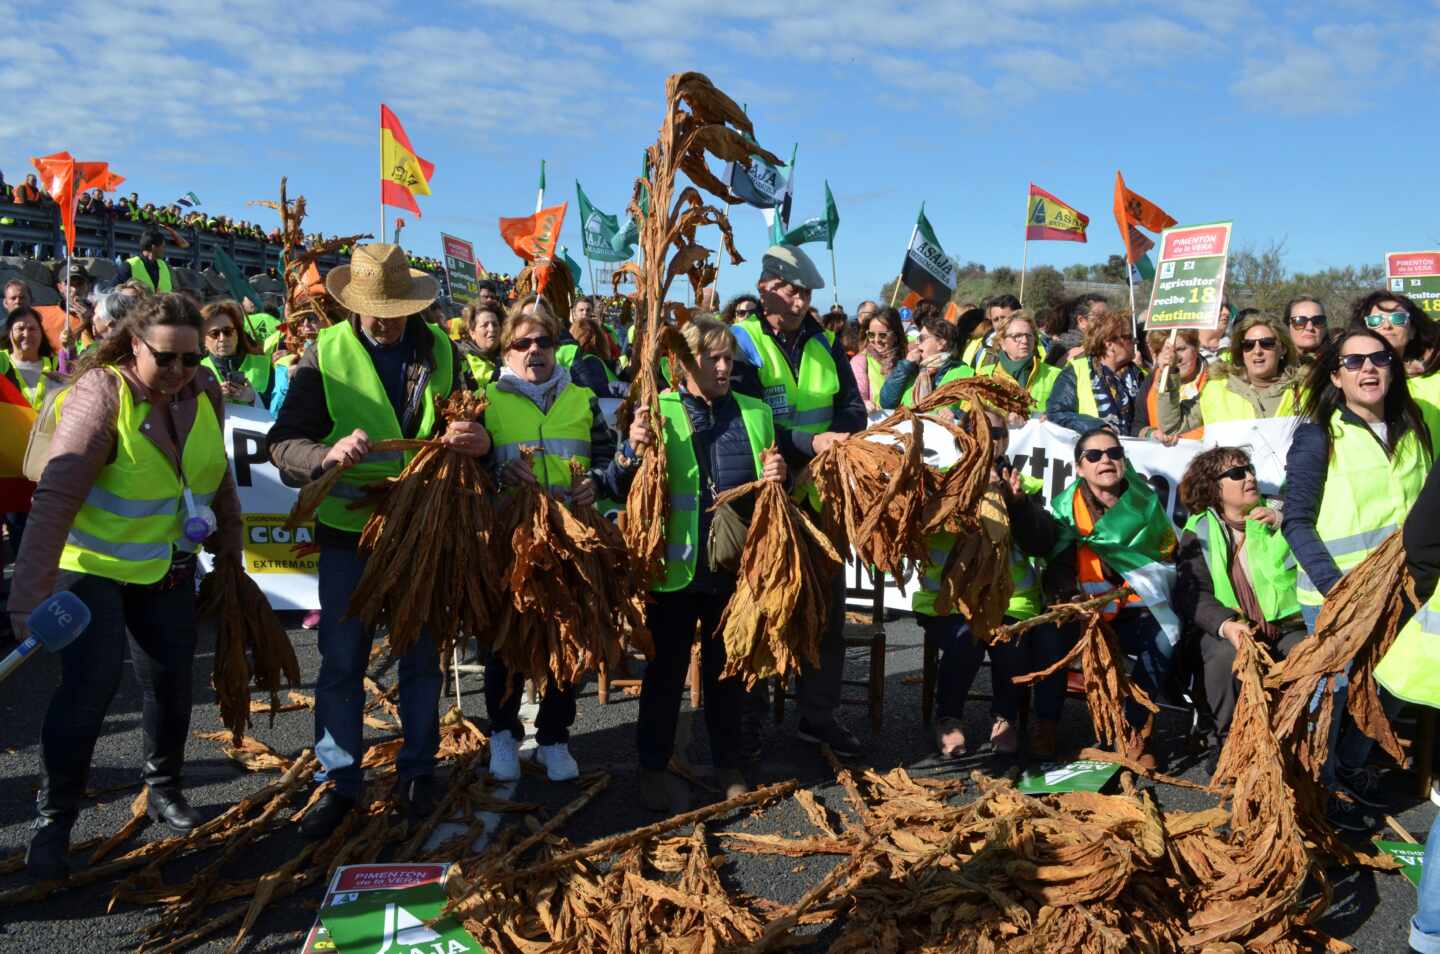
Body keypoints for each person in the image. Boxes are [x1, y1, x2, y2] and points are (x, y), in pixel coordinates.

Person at [9, 294, 243, 880]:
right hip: (92, 566)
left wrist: (232, 551)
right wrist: (28, 593)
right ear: (136, 344)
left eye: (192, 361)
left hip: (167, 566)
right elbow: (58, 494)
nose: (181, 373)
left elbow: (218, 480)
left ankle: (164, 785)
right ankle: (54, 818)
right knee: (90, 687)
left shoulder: (203, 392)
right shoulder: (101, 394)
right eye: (167, 359)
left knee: (170, 680)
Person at [266, 244, 486, 838]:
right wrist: (325, 455)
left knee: (420, 655)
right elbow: (283, 443)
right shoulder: (324, 354)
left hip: (422, 526)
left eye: (395, 308)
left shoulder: (442, 350)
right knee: (341, 661)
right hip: (349, 532)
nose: (385, 319)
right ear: (352, 303)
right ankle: (338, 781)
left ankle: (418, 769)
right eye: (374, 308)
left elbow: (472, 422)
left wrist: (475, 438)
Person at [621, 317, 783, 809]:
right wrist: (631, 452)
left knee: (726, 673)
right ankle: (653, 766)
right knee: (666, 674)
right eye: (711, 357)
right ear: (683, 363)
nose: (721, 366)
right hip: (673, 573)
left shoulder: (755, 412)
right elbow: (620, 483)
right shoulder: (657, 410)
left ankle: (728, 764)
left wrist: (780, 472)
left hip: (731, 570)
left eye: (727, 357)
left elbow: (770, 491)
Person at [1283, 327, 1435, 829]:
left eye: (1378, 359)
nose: (1367, 369)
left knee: (1389, 690)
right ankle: (1318, 790)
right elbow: (1296, 520)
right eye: (1353, 362)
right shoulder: (1318, 434)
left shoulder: (1417, 428)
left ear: (1393, 369)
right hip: (1338, 598)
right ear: (1336, 376)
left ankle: (1349, 768)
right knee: (1336, 695)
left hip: (1407, 594)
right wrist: (1337, 590)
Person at [730, 244, 867, 758]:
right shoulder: (741, 343)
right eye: (791, 288)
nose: (800, 298)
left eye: (806, 290)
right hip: (766, 496)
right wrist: (807, 445)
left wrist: (832, 443)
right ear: (766, 288)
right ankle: (749, 717)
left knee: (826, 609)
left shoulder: (825, 343)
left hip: (819, 495)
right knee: (763, 607)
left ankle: (819, 715)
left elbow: (852, 410)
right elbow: (746, 418)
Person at [479, 301, 622, 783]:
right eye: (522, 343)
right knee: (505, 638)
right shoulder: (486, 400)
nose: (534, 350)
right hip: (511, 537)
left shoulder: (580, 398)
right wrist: (498, 472)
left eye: (543, 341)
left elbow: (608, 458)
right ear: (507, 350)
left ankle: (554, 738)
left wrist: (598, 483)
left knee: (569, 635)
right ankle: (502, 735)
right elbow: (466, 468)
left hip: (571, 536)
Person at [1035, 428, 1180, 768]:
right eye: (1094, 456)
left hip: (1135, 608)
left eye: (1114, 453)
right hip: (1082, 608)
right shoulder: (1064, 510)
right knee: (1048, 636)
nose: (1106, 461)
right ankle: (1045, 723)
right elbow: (1056, 566)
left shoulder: (1145, 503)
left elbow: (1165, 554)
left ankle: (1133, 731)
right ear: (1079, 468)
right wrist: (1074, 600)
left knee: (1163, 640)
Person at [1175, 447, 1305, 770]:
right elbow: (1193, 594)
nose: (1248, 477)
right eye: (1236, 473)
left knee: (1312, 654)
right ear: (1213, 487)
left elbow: (1320, 541)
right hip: (1233, 627)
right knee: (1224, 656)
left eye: (1249, 470)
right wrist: (1226, 624)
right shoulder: (1199, 530)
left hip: (1287, 625)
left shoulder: (1283, 512)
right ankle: (1228, 741)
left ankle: (1303, 742)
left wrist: (1284, 521)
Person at [1156, 314, 1302, 436]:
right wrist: (1170, 373)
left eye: (1267, 343)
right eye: (1248, 345)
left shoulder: (1303, 390)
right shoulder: (1216, 389)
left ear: (1282, 349)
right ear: (1241, 351)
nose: (1257, 351)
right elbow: (1171, 427)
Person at [1046, 312, 1145, 436]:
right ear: (1109, 344)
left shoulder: (1140, 375)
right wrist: (1098, 427)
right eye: (1128, 337)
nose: (1135, 341)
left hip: (1136, 452)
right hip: (1094, 451)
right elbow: (1056, 412)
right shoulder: (1076, 371)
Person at [972, 309, 1060, 424]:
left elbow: (1064, 414)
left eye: (1029, 336)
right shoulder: (984, 376)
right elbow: (972, 415)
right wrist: (1004, 418)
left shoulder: (1055, 375)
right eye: (1017, 336)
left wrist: (1051, 417)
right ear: (1002, 343)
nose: (1024, 341)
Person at [877, 315, 975, 410]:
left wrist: (955, 414)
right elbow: (886, 403)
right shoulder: (912, 369)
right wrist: (905, 366)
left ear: (941, 343)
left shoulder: (964, 373)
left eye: (921, 338)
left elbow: (969, 412)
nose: (917, 343)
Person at [199, 300, 276, 409]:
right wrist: (213, 397)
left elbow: (280, 407)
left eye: (227, 331)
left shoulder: (263, 365)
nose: (222, 338)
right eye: (214, 334)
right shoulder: (197, 371)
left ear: (238, 333)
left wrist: (253, 397)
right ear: (204, 340)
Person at [1349, 290, 1435, 378]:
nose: (1387, 326)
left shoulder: (1433, 384)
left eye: (1398, 318)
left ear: (1412, 331)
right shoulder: (1349, 377)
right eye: (1375, 320)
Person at [1139, 329, 1206, 441]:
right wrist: (1151, 434)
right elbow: (1138, 426)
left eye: (1181, 349)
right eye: (1167, 351)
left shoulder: (1214, 379)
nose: (1175, 358)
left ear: (1196, 348)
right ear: (1156, 356)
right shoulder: (1151, 380)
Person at [851, 305, 905, 413]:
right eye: (871, 334)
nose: (876, 340)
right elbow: (857, 395)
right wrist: (864, 403)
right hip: (875, 424)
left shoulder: (906, 360)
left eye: (883, 335)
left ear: (895, 336)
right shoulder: (860, 361)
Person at [6, 307, 62, 409]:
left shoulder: (58, 365)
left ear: (41, 333)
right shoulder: (2, 362)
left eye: (32, 329)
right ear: (10, 333)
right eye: (20, 329)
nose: (27, 334)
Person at [1044, 293, 1109, 365]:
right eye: (1100, 316)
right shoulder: (1064, 348)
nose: (1108, 321)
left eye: (1109, 316)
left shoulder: (1104, 346)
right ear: (1081, 320)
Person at [458, 301, 502, 387]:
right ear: (472, 333)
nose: (492, 329)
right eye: (485, 325)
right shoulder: (464, 360)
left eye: (495, 324)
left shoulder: (509, 355)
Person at [126, 227, 173, 293]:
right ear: (153, 247)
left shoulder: (164, 266)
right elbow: (112, 291)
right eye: (163, 246)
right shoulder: (129, 265)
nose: (164, 250)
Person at [1284, 296, 1329, 360]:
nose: (1309, 328)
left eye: (1317, 320)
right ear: (1288, 326)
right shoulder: (1273, 366)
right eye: (1300, 321)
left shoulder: (1342, 365)